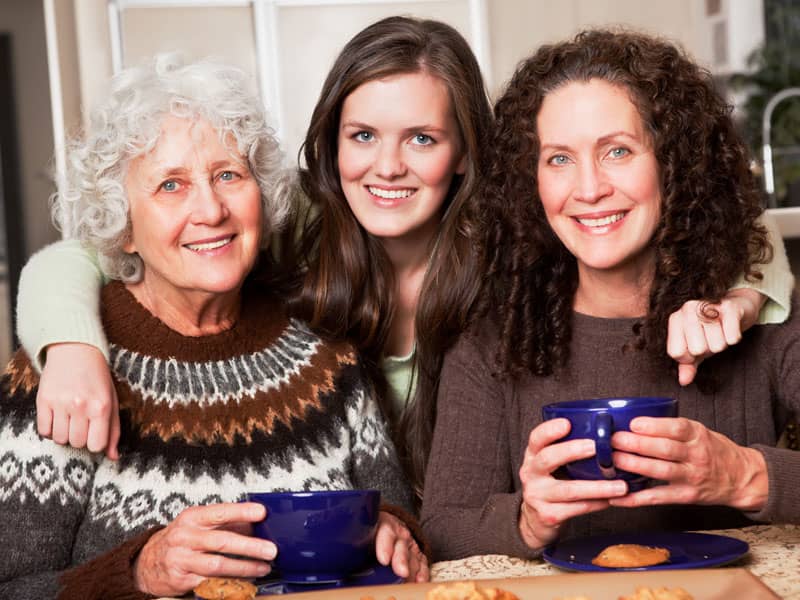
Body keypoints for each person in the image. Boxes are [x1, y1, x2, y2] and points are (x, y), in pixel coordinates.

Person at [15, 18, 793, 499]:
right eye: (363, 137)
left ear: (462, 154)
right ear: (332, 142)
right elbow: (82, 254)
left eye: (421, 138)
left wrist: (744, 298)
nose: (387, 167)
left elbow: (727, 241)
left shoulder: (519, 245)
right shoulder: (285, 238)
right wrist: (72, 345)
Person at [0, 54, 426, 600]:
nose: (211, 209)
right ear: (122, 225)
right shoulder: (62, 376)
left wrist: (394, 537)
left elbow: (397, 522)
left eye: (229, 175)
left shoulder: (327, 358)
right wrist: (137, 573)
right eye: (170, 186)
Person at [421, 29, 800, 561]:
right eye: (558, 159)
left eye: (617, 150)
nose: (589, 188)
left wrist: (746, 477)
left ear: (674, 163)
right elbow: (441, 529)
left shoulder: (760, 317)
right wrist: (527, 520)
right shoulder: (494, 340)